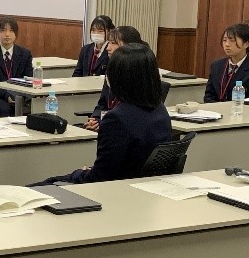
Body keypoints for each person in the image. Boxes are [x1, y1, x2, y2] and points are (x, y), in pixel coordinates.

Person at [37, 44, 171, 184]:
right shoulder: (160, 110)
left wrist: (79, 173)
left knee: (43, 184)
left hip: (111, 189)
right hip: (144, 187)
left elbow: (100, 177)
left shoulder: (116, 119)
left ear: (119, 78)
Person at [82, 25, 144, 132]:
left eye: (113, 43)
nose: (108, 48)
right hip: (108, 124)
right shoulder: (111, 69)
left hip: (124, 129)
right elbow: (102, 103)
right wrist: (95, 119)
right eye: (109, 43)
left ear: (129, 46)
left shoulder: (136, 75)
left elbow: (128, 113)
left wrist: (103, 123)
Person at [203, 23, 249, 103]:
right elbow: (209, 96)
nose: (227, 44)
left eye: (232, 40)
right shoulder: (217, 65)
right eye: (224, 40)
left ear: (247, 44)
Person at [0, 17, 33, 116]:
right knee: (4, 109)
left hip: (20, 95)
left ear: (16, 34)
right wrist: (6, 95)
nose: (7, 34)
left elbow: (28, 78)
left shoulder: (25, 54)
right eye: (3, 30)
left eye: (11, 31)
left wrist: (18, 95)